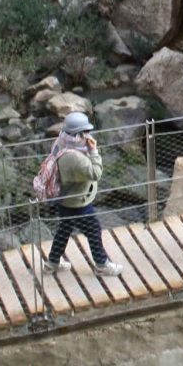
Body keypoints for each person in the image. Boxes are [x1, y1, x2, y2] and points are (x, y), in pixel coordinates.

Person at [44, 112, 124, 278]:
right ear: (78, 134)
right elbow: (95, 173)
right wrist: (94, 152)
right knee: (94, 230)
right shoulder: (75, 158)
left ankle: (52, 262)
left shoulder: (60, 142)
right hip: (77, 202)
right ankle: (102, 264)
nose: (88, 135)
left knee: (64, 229)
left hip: (63, 199)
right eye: (85, 132)